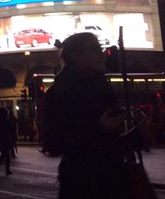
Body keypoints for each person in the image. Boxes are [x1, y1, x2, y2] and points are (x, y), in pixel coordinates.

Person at [43, 32, 128, 199]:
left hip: (111, 181)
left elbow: (111, 145)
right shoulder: (59, 93)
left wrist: (138, 136)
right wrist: (98, 128)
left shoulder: (102, 89)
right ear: (77, 56)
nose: (103, 54)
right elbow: (53, 144)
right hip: (82, 184)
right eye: (95, 49)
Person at [0, 106, 14, 175]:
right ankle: (6, 169)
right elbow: (11, 129)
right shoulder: (7, 120)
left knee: (4, 154)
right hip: (6, 138)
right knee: (6, 155)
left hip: (0, 139)